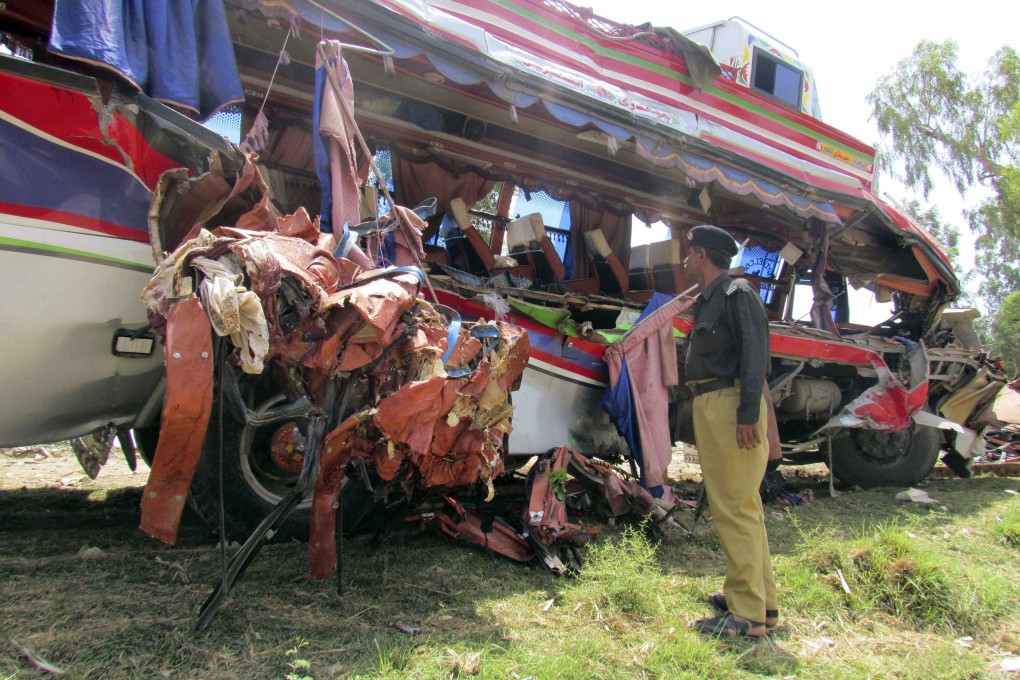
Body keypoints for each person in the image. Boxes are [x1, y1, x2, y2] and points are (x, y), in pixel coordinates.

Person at [682, 225, 777, 639]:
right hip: (714, 404)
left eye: (689, 253)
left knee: (733, 507)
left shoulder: (737, 294)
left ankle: (746, 615)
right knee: (745, 507)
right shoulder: (712, 299)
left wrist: (746, 414)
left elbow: (756, 354)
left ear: (703, 255)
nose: (684, 259)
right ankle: (761, 604)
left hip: (729, 404)